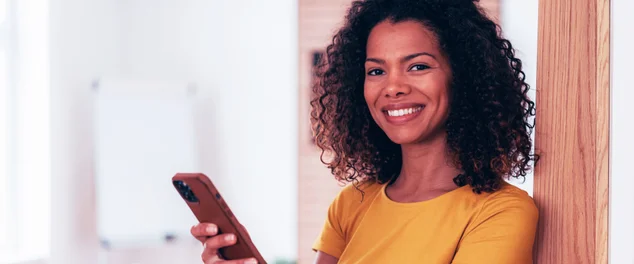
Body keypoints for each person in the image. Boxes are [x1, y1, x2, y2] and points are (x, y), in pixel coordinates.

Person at [191, 0, 539, 263]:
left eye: (417, 66)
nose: (393, 87)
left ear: (463, 76)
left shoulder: (501, 212)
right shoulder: (352, 203)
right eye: (376, 71)